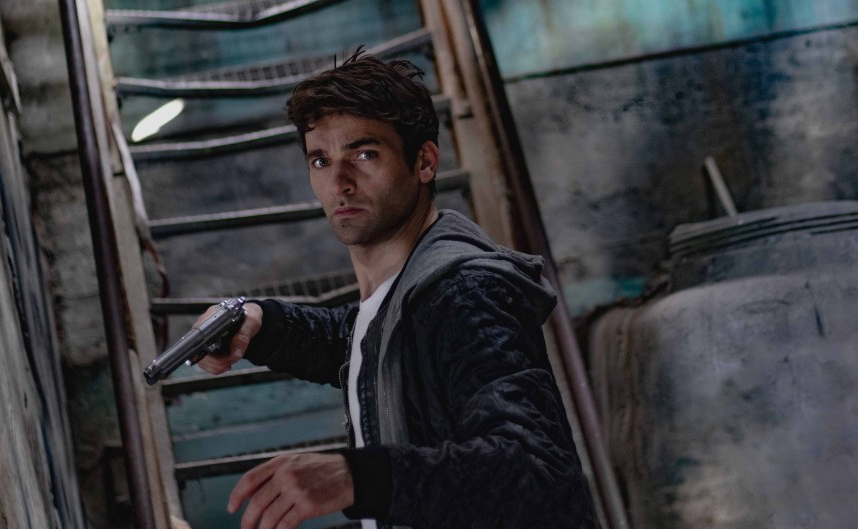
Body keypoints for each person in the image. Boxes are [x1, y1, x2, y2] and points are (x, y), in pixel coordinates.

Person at [194, 51, 596, 529]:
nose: (340, 183)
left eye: (364, 154)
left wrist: (355, 478)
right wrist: (257, 320)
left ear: (424, 162)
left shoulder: (465, 293)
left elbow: (535, 472)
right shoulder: (405, 297)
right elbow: (358, 339)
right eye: (321, 160)